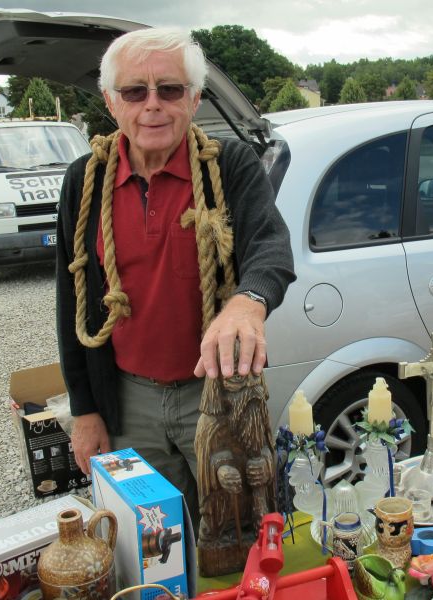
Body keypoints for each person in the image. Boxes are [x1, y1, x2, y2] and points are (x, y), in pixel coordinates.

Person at [55, 28, 295, 527]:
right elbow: (70, 301)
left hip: (216, 394)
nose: (153, 105)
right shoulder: (85, 180)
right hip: (127, 403)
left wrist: (248, 302)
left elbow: (270, 247)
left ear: (194, 98)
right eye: (134, 91)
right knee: (152, 540)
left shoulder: (229, 166)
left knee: (235, 530)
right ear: (110, 102)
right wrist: (85, 411)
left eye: (169, 89)